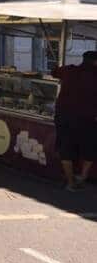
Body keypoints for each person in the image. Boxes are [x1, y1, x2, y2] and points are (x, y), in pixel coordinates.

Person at [51, 50, 97, 191]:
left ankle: (70, 182)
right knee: (90, 149)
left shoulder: (69, 70)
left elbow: (54, 72)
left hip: (64, 116)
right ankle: (82, 177)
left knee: (66, 149)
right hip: (88, 118)